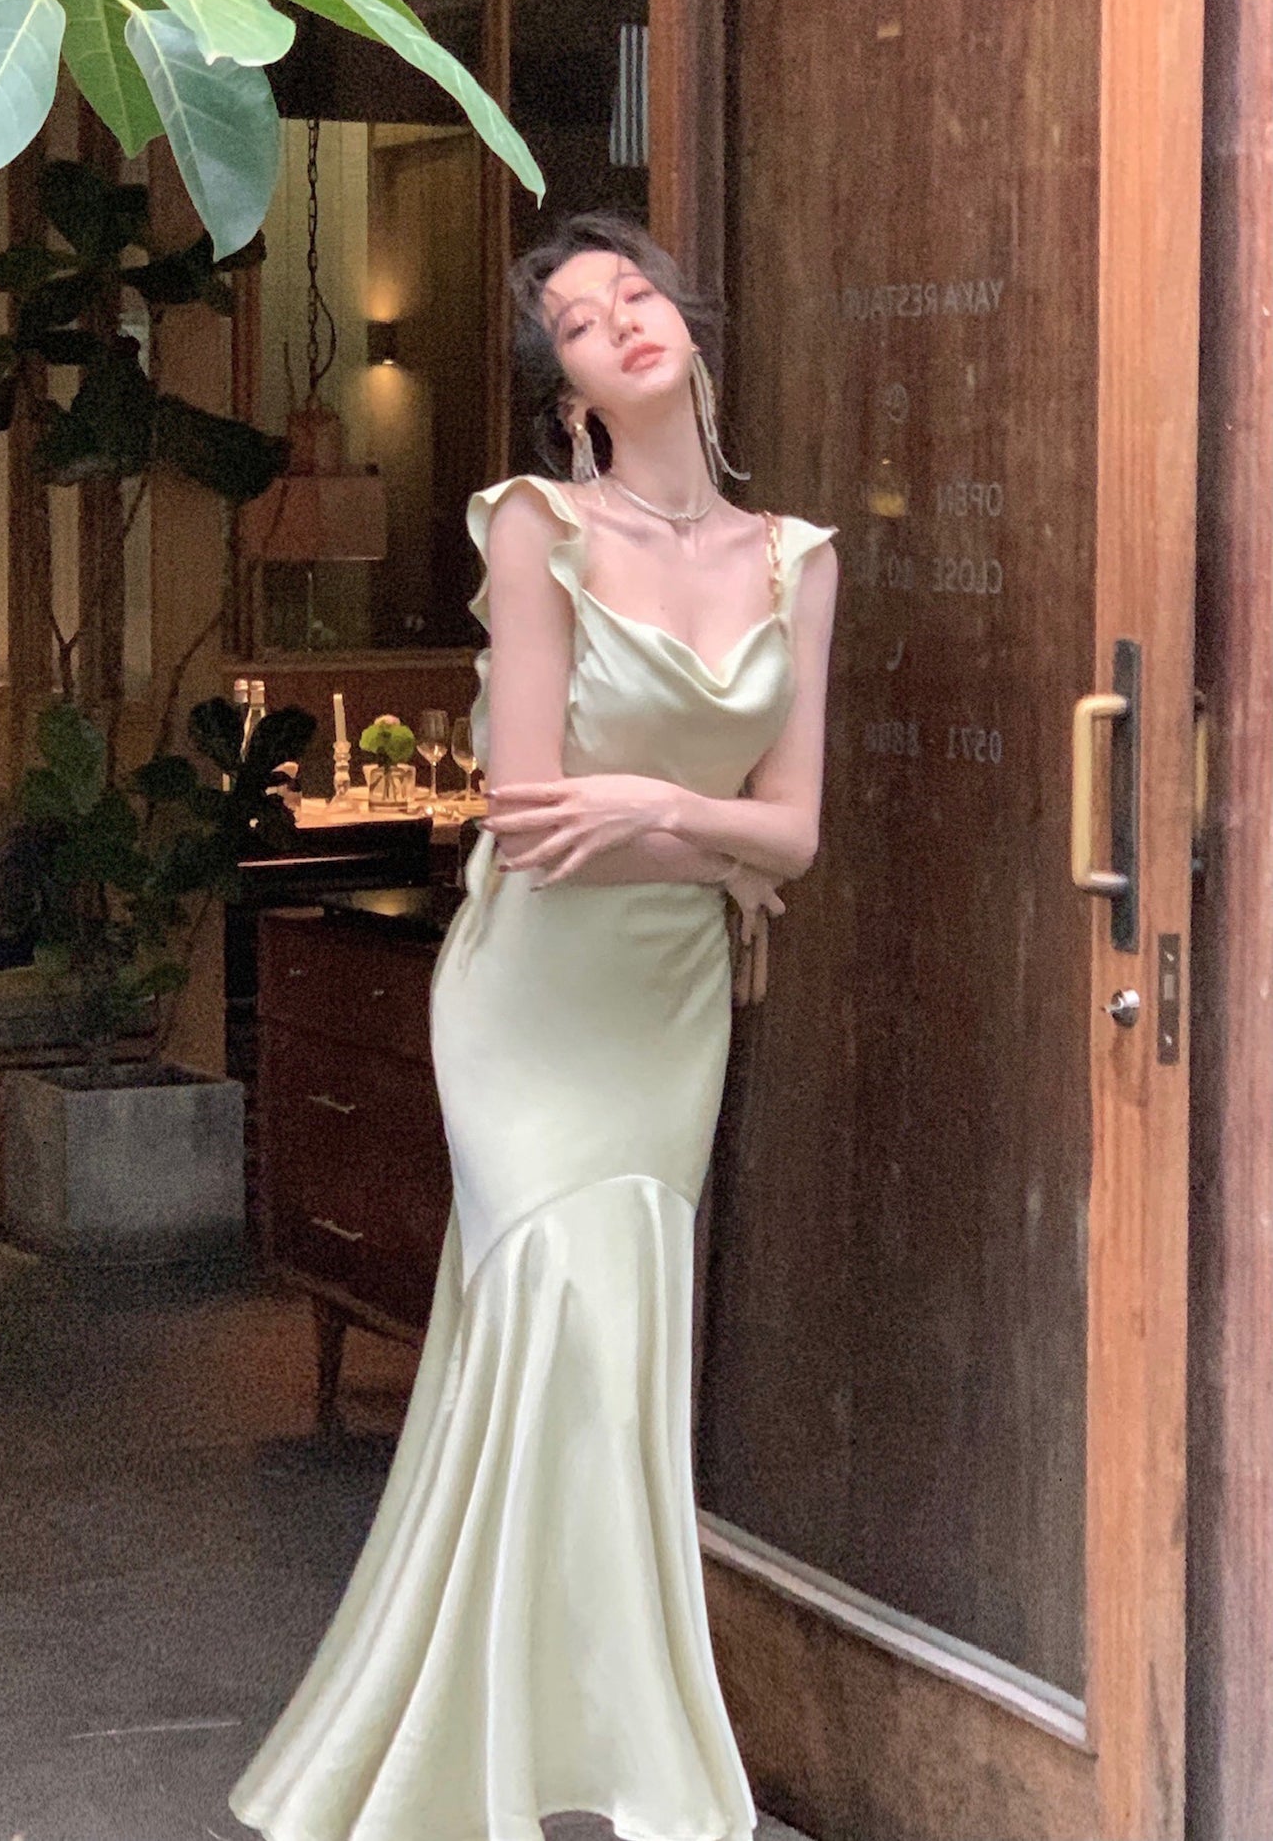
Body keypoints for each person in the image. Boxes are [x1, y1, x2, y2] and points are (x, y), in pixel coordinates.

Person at [228, 210, 839, 1841]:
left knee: (615, 1356)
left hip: (665, 1008)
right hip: (531, 999)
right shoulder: (536, 526)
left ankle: (605, 1751)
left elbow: (796, 834)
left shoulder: (798, 560)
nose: (620, 319)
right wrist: (711, 837)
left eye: (636, 293)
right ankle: (489, 1752)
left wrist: (656, 807)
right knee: (560, 1317)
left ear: (686, 327)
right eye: (579, 320)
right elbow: (525, 817)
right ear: (567, 393)